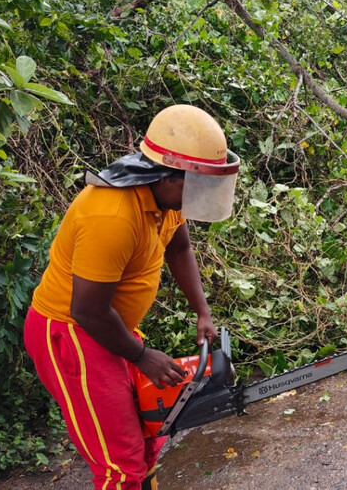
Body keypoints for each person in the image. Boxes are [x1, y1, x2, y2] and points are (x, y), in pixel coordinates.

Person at [23, 105, 241, 490]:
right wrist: (141, 356)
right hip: (72, 334)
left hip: (112, 327)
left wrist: (202, 311)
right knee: (119, 464)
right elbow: (86, 309)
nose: (202, 195)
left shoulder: (165, 201)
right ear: (169, 175)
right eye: (199, 184)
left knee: (148, 439)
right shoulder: (111, 215)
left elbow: (179, 249)